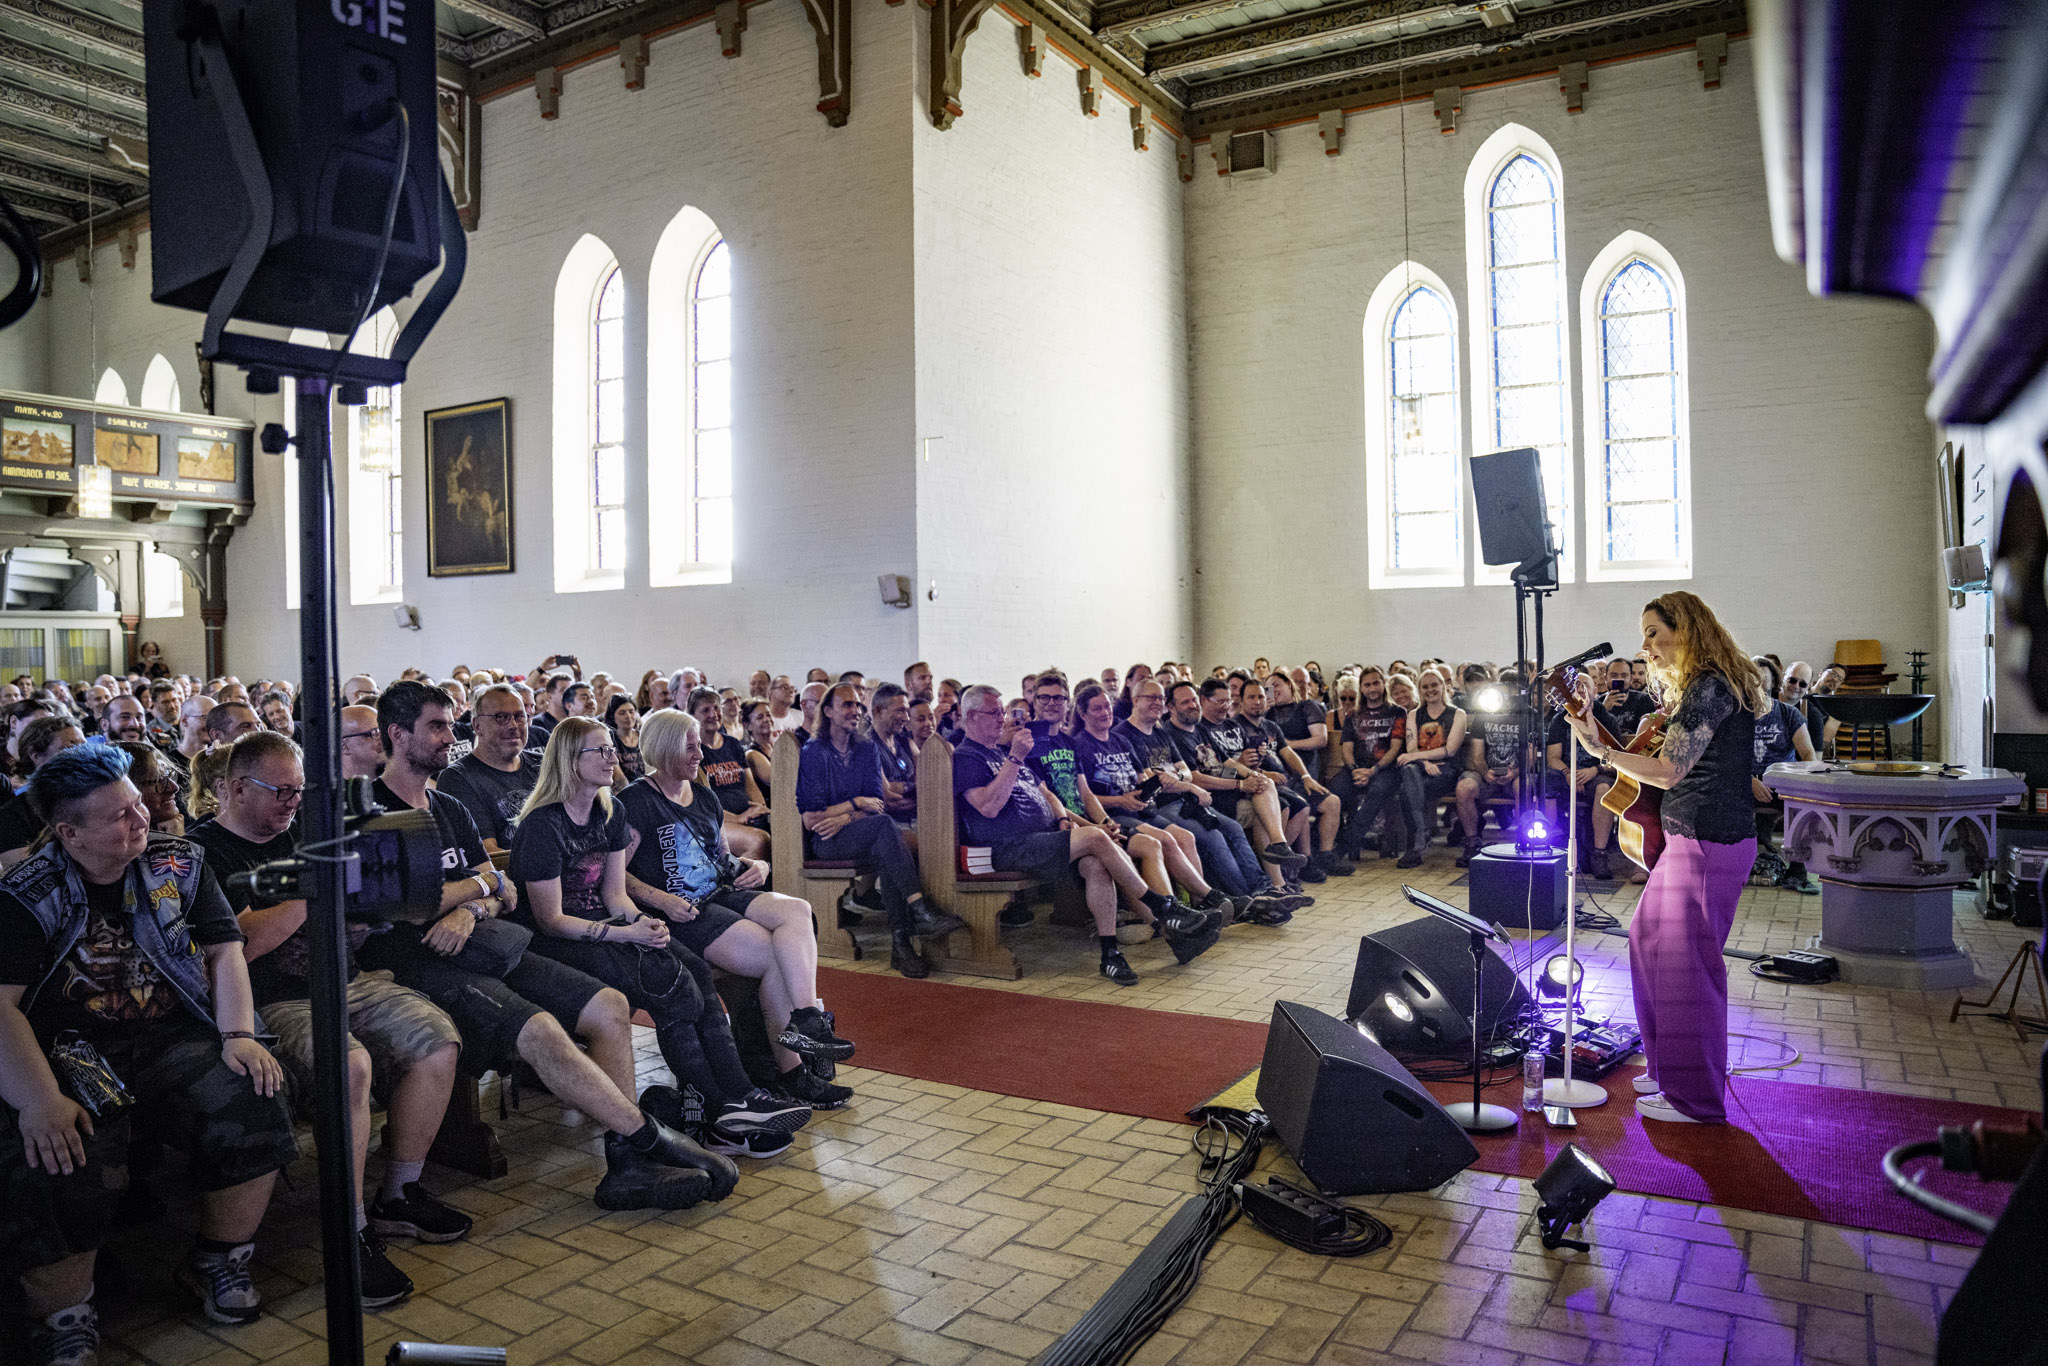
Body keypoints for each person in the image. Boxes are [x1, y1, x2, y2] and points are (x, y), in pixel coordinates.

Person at [360, 682, 732, 1209]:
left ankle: (626, 1165)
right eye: (437, 726)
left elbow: (503, 890)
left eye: (449, 724)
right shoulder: (373, 813)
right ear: (398, 735)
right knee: (540, 1031)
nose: (450, 736)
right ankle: (646, 1137)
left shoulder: (448, 808)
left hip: (486, 943)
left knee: (610, 1007)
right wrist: (476, 890)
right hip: (415, 961)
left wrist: (469, 905)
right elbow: (401, 909)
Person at [0, 746, 296, 1358]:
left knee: (252, 1094)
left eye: (138, 803)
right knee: (61, 1149)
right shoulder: (28, 892)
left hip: (167, 1034)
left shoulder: (180, 863)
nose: (141, 819)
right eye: (119, 815)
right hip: (69, 1051)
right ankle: (61, 1313)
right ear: (69, 832)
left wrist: (239, 1033)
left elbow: (225, 949)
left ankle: (219, 1260)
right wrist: (38, 1098)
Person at [190, 730, 468, 1309]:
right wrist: (313, 883)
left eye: (300, 791)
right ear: (238, 788)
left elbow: (350, 902)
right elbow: (242, 942)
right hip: (271, 998)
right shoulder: (205, 852)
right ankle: (352, 1228)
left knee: (437, 1040)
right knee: (350, 1066)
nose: (296, 803)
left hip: (346, 978)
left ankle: (401, 1192)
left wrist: (366, 912)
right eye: (282, 791)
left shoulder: (302, 833)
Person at [510, 717, 812, 1159]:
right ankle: (721, 1108)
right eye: (602, 751)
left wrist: (642, 924)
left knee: (692, 970)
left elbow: (615, 895)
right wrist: (624, 933)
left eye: (613, 749)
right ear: (571, 761)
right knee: (668, 982)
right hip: (559, 944)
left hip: (608, 930)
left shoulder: (607, 811)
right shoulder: (543, 825)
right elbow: (551, 920)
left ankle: (735, 1099)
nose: (614, 757)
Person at [1561, 591, 1768, 1125]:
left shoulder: (1712, 686)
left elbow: (1671, 769)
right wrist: (1587, 724)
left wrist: (1603, 754)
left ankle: (1696, 1101)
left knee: (1688, 970)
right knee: (1647, 945)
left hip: (1710, 842)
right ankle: (1668, 1067)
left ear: (1689, 629)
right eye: (1644, 633)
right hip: (1685, 840)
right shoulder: (1695, 691)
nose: (1646, 644)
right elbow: (1641, 760)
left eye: (1654, 631)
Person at [618, 709, 854, 1110]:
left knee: (796, 908)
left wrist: (757, 865)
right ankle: (791, 1071)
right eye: (690, 747)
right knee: (774, 956)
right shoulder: (635, 802)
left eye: (698, 746)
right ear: (664, 747)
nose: (698, 755)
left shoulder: (704, 795)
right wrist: (661, 901)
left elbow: (721, 859)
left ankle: (806, 1019)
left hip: (720, 893)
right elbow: (615, 875)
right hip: (683, 912)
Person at [953, 686, 1214, 985]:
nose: (1002, 719)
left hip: (1042, 838)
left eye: (1003, 712)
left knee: (1096, 863)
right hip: (1004, 849)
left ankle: (1110, 954)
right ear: (971, 716)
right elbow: (988, 807)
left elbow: (1046, 793)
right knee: (1095, 838)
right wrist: (1015, 758)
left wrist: (1063, 817)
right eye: (994, 713)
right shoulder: (966, 757)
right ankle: (1162, 907)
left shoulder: (1000, 752)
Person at [797, 684, 961, 978]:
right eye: (847, 705)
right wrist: (855, 803)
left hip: (858, 831)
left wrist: (846, 816)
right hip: (826, 840)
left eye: (858, 705)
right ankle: (918, 911)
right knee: (887, 832)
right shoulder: (814, 752)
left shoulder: (865, 748)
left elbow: (877, 805)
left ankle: (902, 944)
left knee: (885, 844)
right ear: (828, 711)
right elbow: (811, 818)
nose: (855, 711)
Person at [436, 683, 545, 852]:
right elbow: (488, 853)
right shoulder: (457, 778)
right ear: (477, 726)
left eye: (520, 716)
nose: (513, 725)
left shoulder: (545, 766)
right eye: (501, 717)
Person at [1393, 670, 1466, 867]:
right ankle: (1420, 834)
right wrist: (1424, 763)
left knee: (1406, 788)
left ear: (1442, 686)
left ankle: (1415, 844)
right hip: (1421, 769)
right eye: (1425, 687)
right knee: (1409, 773)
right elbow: (1411, 748)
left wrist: (1415, 758)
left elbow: (1449, 750)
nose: (1430, 690)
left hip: (1447, 770)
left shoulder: (1457, 714)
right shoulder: (1414, 714)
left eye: (1434, 685)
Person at [1335, 667, 1406, 861]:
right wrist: (1355, 771)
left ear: (1384, 685)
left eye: (1376, 683)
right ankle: (1323, 845)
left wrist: (1373, 771)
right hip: (1355, 768)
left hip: (1385, 769)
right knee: (1335, 791)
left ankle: (1345, 844)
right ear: (1361, 688)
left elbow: (1395, 748)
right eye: (1367, 684)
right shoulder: (1353, 715)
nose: (1372, 688)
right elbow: (1347, 749)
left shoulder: (1397, 712)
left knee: (1378, 791)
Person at [689, 688, 769, 860]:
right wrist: (738, 818)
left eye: (716, 708)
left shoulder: (732, 744)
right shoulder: (693, 750)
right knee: (759, 840)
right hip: (715, 821)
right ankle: (740, 885)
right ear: (693, 716)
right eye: (705, 710)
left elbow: (750, 785)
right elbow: (701, 802)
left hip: (746, 816)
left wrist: (759, 808)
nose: (713, 714)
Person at [869, 683, 918, 825]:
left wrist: (903, 787)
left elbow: (929, 783)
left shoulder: (906, 741)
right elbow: (889, 796)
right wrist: (914, 787)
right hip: (890, 826)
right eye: (900, 711)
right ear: (878, 711)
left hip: (917, 820)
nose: (906, 718)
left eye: (907, 711)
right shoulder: (868, 746)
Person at [606, 693, 645, 786]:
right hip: (623, 789)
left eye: (631, 712)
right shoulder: (609, 740)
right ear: (613, 717)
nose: (628, 716)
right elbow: (619, 779)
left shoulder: (643, 736)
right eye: (622, 713)